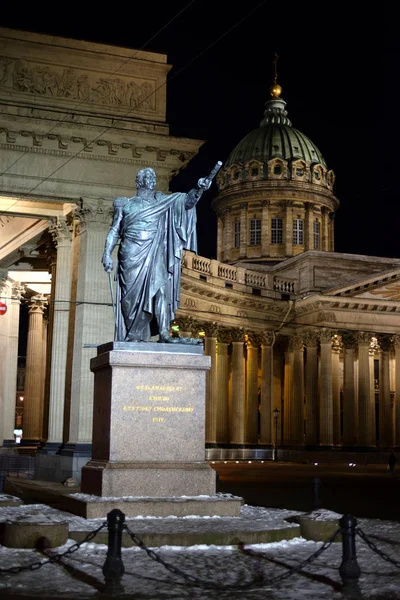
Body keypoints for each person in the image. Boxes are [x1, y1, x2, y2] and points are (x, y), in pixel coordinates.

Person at [101, 163, 221, 343]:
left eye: (154, 178)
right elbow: (114, 230)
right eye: (148, 178)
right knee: (129, 300)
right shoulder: (124, 204)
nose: (152, 181)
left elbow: (187, 202)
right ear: (139, 181)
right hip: (130, 253)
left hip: (155, 250)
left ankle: (164, 332)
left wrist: (198, 188)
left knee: (161, 291)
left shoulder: (161, 201)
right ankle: (133, 333)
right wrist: (106, 253)